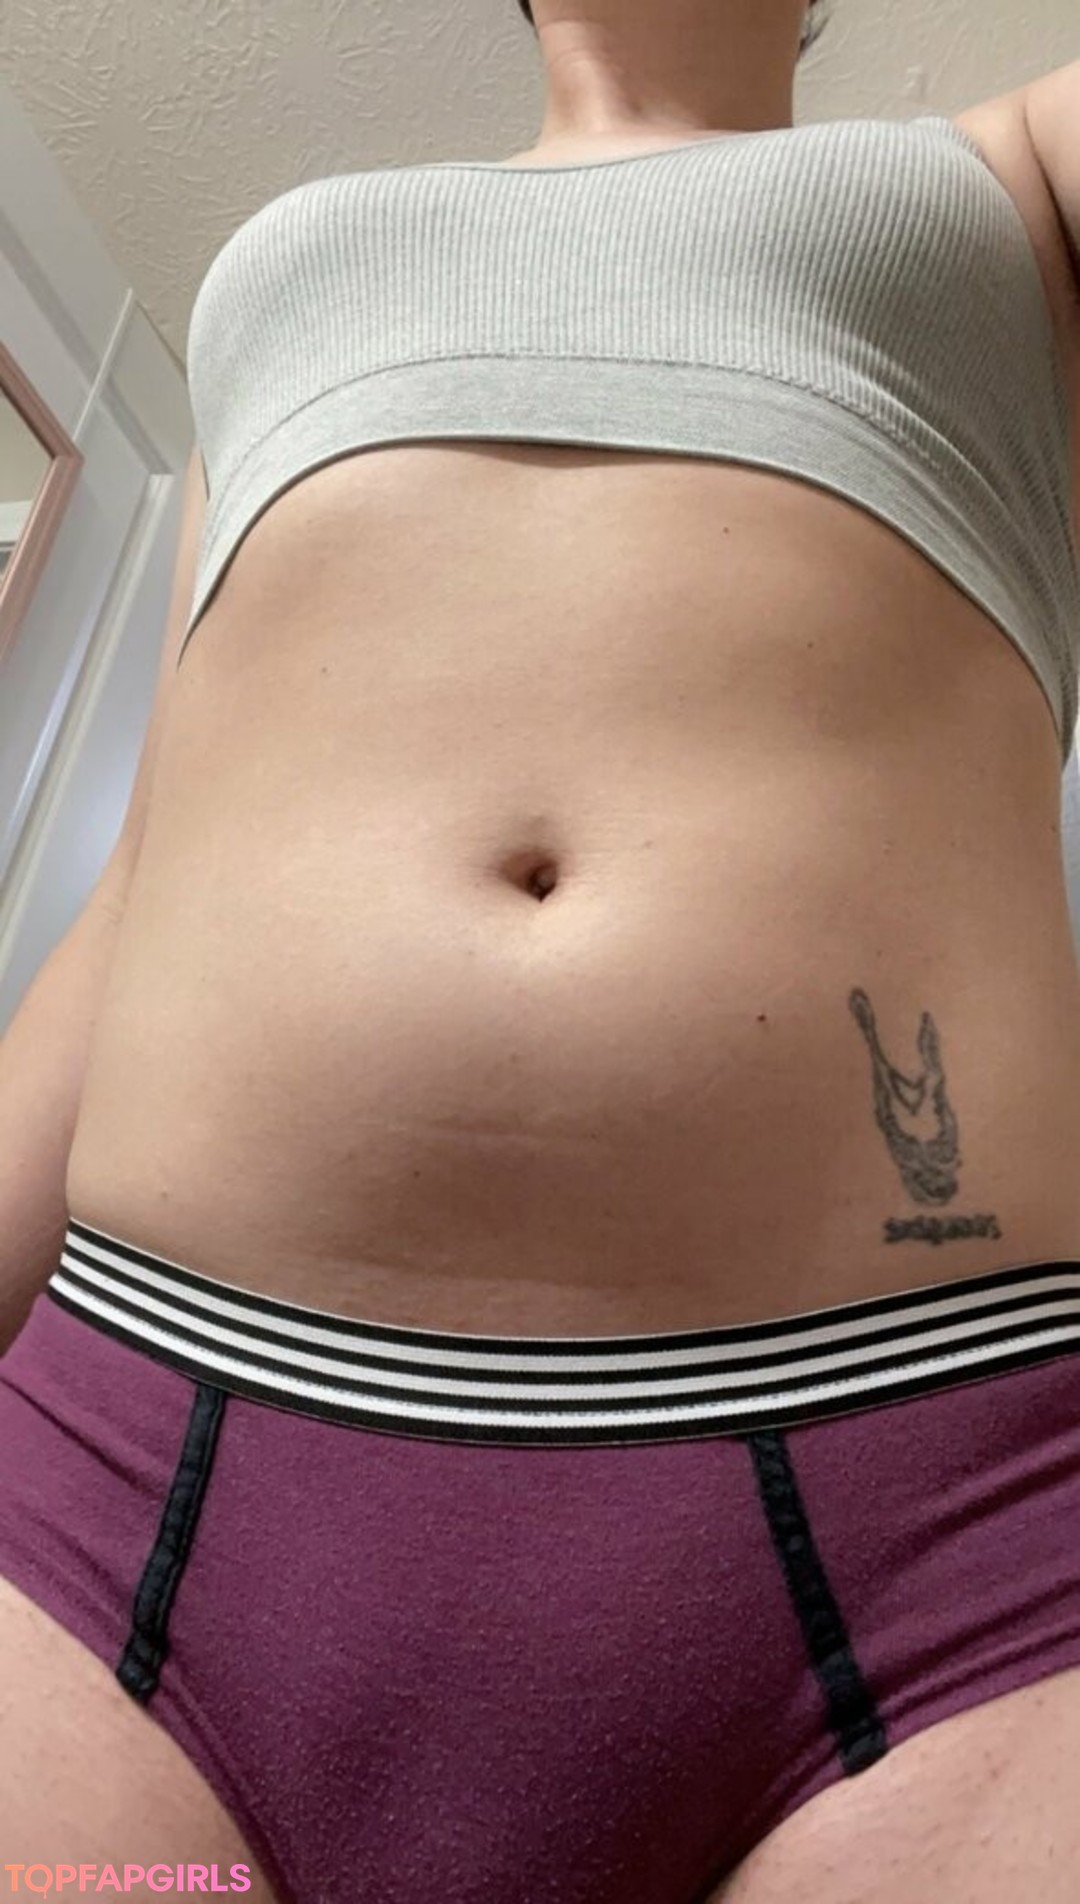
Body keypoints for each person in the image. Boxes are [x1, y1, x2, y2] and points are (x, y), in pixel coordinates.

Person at [0, 0, 1078, 1898]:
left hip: (941, 1545)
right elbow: (151, 868)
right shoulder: (282, 253)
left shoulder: (1002, 190)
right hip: (138, 1493)